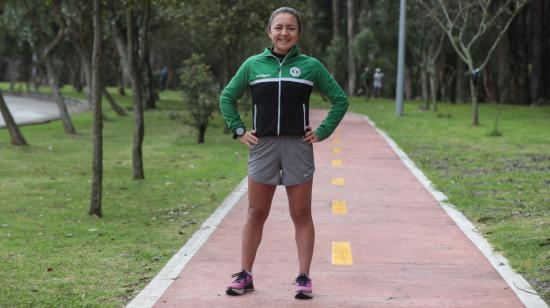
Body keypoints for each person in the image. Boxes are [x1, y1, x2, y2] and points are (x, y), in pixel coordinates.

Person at [219, 7, 348, 300]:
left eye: (290, 28)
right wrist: (239, 130)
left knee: (300, 213)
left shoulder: (310, 66)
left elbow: (340, 99)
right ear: (269, 32)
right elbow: (227, 96)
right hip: (262, 146)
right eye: (279, 27)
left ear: (298, 33)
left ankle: (303, 278)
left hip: (297, 147)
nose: (284, 33)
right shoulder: (253, 65)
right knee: (255, 213)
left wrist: (323, 130)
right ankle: (245, 274)